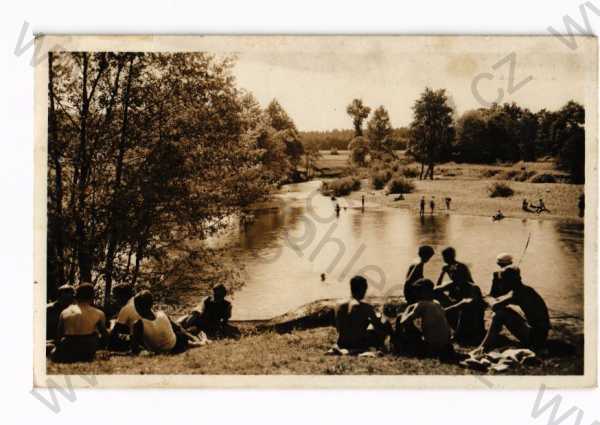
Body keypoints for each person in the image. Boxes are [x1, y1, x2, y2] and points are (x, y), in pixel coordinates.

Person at [476, 266, 550, 353]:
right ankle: (485, 346)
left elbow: (495, 306)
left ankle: (483, 348)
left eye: (503, 280)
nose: (501, 283)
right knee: (504, 310)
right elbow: (504, 299)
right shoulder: (525, 289)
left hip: (536, 338)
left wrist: (487, 298)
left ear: (509, 281)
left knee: (500, 314)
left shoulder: (519, 293)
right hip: (539, 333)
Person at [393, 278, 455, 361]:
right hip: (446, 346)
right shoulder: (437, 303)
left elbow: (403, 322)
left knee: (400, 317)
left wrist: (406, 311)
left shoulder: (421, 304)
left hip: (432, 347)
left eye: (417, 291)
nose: (415, 294)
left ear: (421, 292)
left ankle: (398, 348)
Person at [434, 247, 485, 344]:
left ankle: (459, 333)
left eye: (446, 256)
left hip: (467, 300)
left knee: (458, 309)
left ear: (452, 256)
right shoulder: (448, 268)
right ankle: (456, 327)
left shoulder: (461, 268)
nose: (445, 258)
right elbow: (437, 288)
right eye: (444, 256)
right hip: (458, 296)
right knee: (437, 293)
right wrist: (442, 272)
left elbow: (462, 281)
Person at [130, 290, 203, 355]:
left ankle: (193, 341)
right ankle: (193, 342)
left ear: (138, 307)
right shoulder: (162, 314)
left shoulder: (138, 324)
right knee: (180, 333)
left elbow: (135, 349)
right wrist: (190, 336)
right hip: (175, 346)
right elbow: (177, 328)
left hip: (158, 351)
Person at [50, 283, 108, 363]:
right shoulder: (99, 313)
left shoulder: (64, 312)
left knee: (52, 349)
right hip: (88, 348)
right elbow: (104, 335)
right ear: (92, 297)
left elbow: (59, 335)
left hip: (69, 347)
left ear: (76, 296)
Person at [334, 275, 392, 351]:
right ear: (362, 289)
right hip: (357, 344)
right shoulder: (366, 307)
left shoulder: (338, 304)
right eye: (365, 289)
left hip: (341, 342)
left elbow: (339, 327)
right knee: (384, 323)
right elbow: (378, 327)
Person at [108, 287, 141, 351]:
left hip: (137, 342)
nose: (115, 300)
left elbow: (115, 332)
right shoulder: (139, 303)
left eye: (116, 297)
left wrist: (112, 324)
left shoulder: (126, 308)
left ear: (122, 296)